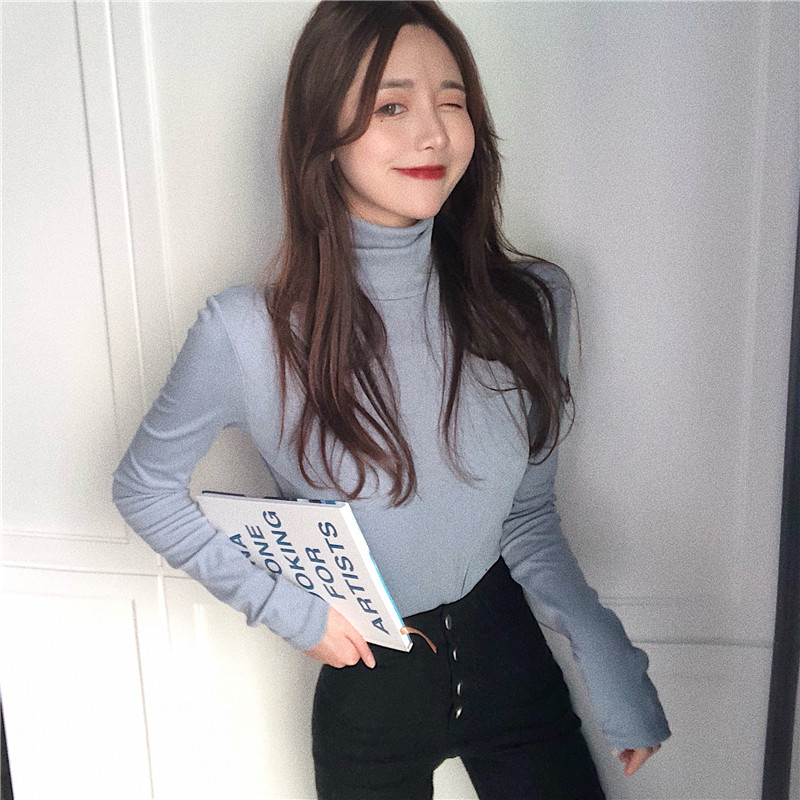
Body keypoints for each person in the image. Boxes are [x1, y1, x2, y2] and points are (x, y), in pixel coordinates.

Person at [112, 2, 670, 798]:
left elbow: (526, 514)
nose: (434, 134)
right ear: (322, 134)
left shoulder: (534, 304)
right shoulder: (246, 333)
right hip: (372, 684)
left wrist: (605, 650)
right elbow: (144, 489)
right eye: (391, 107)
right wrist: (292, 614)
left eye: (453, 101)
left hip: (510, 657)